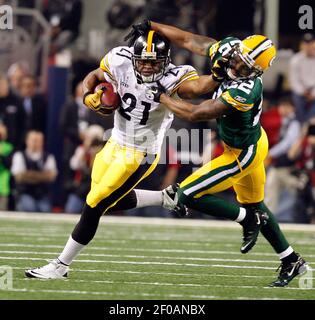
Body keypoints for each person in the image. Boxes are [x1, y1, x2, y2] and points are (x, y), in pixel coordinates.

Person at [127, 20, 309, 287]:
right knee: (256, 205)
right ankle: (291, 259)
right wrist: (153, 25)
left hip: (241, 154)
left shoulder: (245, 90)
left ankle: (247, 219)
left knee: (184, 195)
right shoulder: (231, 49)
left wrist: (163, 97)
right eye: (238, 59)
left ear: (257, 71)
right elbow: (191, 41)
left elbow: (196, 113)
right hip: (254, 143)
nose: (236, 67)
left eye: (246, 67)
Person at [24, 30, 219, 279]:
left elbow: (197, 86)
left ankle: (61, 265)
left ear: (166, 61)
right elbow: (94, 76)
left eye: (154, 62)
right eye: (143, 61)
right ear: (134, 58)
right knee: (106, 197)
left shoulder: (174, 77)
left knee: (95, 203)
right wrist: (88, 95)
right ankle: (165, 198)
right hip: (114, 141)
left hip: (140, 152)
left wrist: (218, 74)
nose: (147, 67)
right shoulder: (120, 59)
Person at [11, 130, 58, 212]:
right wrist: (42, 175)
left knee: (45, 209)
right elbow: (19, 177)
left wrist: (28, 174)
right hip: (25, 193)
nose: (35, 143)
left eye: (39, 141)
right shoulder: (19, 155)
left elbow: (52, 177)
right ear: (27, 141)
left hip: (42, 195)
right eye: (33, 140)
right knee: (30, 207)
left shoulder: (48, 157)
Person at [289, 33, 315, 123]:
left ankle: (307, 124)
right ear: (302, 45)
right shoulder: (296, 59)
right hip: (301, 91)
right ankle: (301, 125)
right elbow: (294, 81)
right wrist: (303, 92)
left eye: (311, 43)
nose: (309, 46)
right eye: (306, 43)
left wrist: (313, 94)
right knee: (296, 98)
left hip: (313, 90)